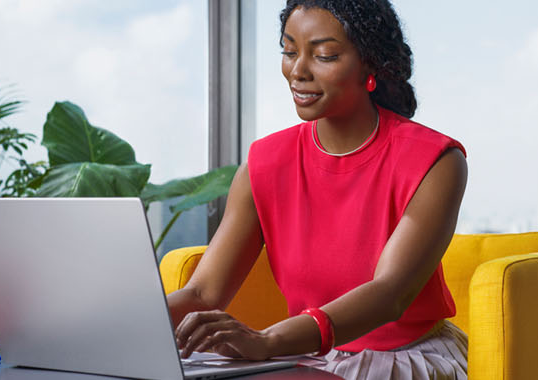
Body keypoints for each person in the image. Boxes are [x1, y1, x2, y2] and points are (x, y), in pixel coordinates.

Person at [166, 0, 469, 379]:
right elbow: (203, 294)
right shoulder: (265, 163)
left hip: (405, 360)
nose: (298, 71)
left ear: (370, 64)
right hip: (306, 356)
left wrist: (268, 341)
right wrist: (112, 324)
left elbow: (390, 294)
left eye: (324, 55)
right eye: (289, 51)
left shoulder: (435, 160)